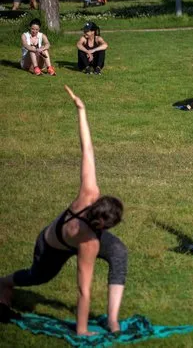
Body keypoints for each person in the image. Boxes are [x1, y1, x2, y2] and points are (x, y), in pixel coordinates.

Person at [0, 86, 128, 335]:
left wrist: (81, 110)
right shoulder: (89, 241)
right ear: (103, 225)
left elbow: (87, 150)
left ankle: (113, 320)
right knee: (38, 277)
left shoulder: (89, 193)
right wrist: (82, 330)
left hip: (70, 234)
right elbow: (83, 289)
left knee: (119, 252)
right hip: (50, 246)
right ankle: (4, 282)